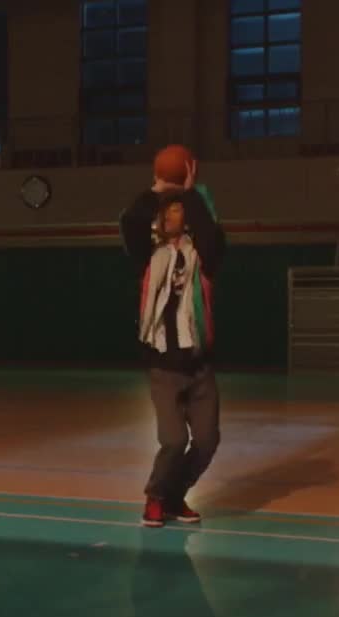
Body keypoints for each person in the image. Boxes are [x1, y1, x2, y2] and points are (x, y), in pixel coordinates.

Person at [119, 157, 226, 528]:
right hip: (164, 368)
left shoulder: (204, 257)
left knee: (208, 441)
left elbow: (212, 234)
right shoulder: (147, 256)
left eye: (177, 208)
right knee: (174, 439)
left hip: (200, 368)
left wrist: (191, 193)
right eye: (165, 210)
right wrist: (158, 190)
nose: (169, 214)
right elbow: (130, 222)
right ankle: (156, 495)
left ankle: (176, 494)